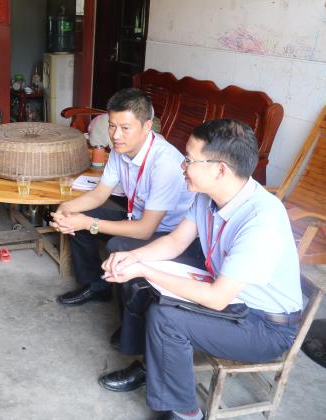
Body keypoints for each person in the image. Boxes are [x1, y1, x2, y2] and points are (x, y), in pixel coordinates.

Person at [100, 119, 303, 420]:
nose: (182, 166)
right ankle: (149, 366)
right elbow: (175, 242)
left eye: (189, 160)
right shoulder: (207, 196)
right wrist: (132, 258)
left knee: (166, 318)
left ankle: (186, 413)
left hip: (263, 325)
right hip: (232, 298)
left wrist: (145, 269)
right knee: (137, 275)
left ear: (219, 170)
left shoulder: (261, 221)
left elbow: (216, 298)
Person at [51, 88, 199, 309]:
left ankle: (130, 316)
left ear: (147, 126)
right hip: (135, 217)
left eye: (125, 128)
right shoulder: (120, 150)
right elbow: (100, 194)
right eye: (112, 126)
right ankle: (96, 286)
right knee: (77, 215)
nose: (116, 135)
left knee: (117, 243)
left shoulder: (165, 162)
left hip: (168, 233)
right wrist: (66, 207)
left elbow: (145, 230)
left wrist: (87, 223)